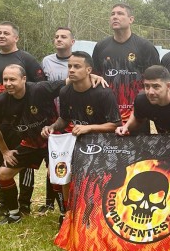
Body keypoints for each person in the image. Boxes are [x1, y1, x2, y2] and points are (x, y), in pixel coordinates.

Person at [41, 51, 121, 225]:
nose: (71, 70)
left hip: (101, 143)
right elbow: (64, 119)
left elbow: (115, 124)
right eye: (69, 66)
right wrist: (52, 127)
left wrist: (89, 128)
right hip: (75, 141)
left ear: (88, 70)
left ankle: (97, 214)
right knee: (58, 171)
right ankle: (67, 213)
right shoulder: (65, 91)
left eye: (77, 66)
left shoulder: (103, 93)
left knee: (95, 181)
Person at [0, 21, 46, 218]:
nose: (1, 36)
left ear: (15, 37)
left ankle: (24, 203)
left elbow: (40, 86)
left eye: (6, 33)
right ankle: (5, 204)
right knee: (0, 160)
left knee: (23, 160)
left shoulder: (26, 58)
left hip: (22, 121)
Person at [0, 64, 66, 224]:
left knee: (55, 175)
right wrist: (5, 151)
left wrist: (92, 76)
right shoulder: (0, 101)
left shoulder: (40, 89)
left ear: (24, 79)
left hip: (53, 140)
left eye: (12, 79)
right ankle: (14, 214)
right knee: (3, 174)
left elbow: (68, 80)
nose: (8, 83)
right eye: (5, 80)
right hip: (30, 143)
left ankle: (66, 217)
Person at [92, 3, 160, 133]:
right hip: (108, 114)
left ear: (131, 19)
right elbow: (95, 77)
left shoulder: (145, 47)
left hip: (137, 115)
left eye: (120, 13)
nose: (115, 17)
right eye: (112, 14)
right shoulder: (101, 47)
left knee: (138, 152)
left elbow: (156, 81)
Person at [38, 27, 75, 215]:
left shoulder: (78, 61)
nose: (59, 39)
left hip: (73, 118)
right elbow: (43, 89)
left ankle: (69, 207)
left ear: (72, 42)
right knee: (53, 161)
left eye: (63, 37)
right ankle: (49, 203)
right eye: (56, 37)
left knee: (69, 162)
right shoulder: (46, 61)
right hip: (54, 117)